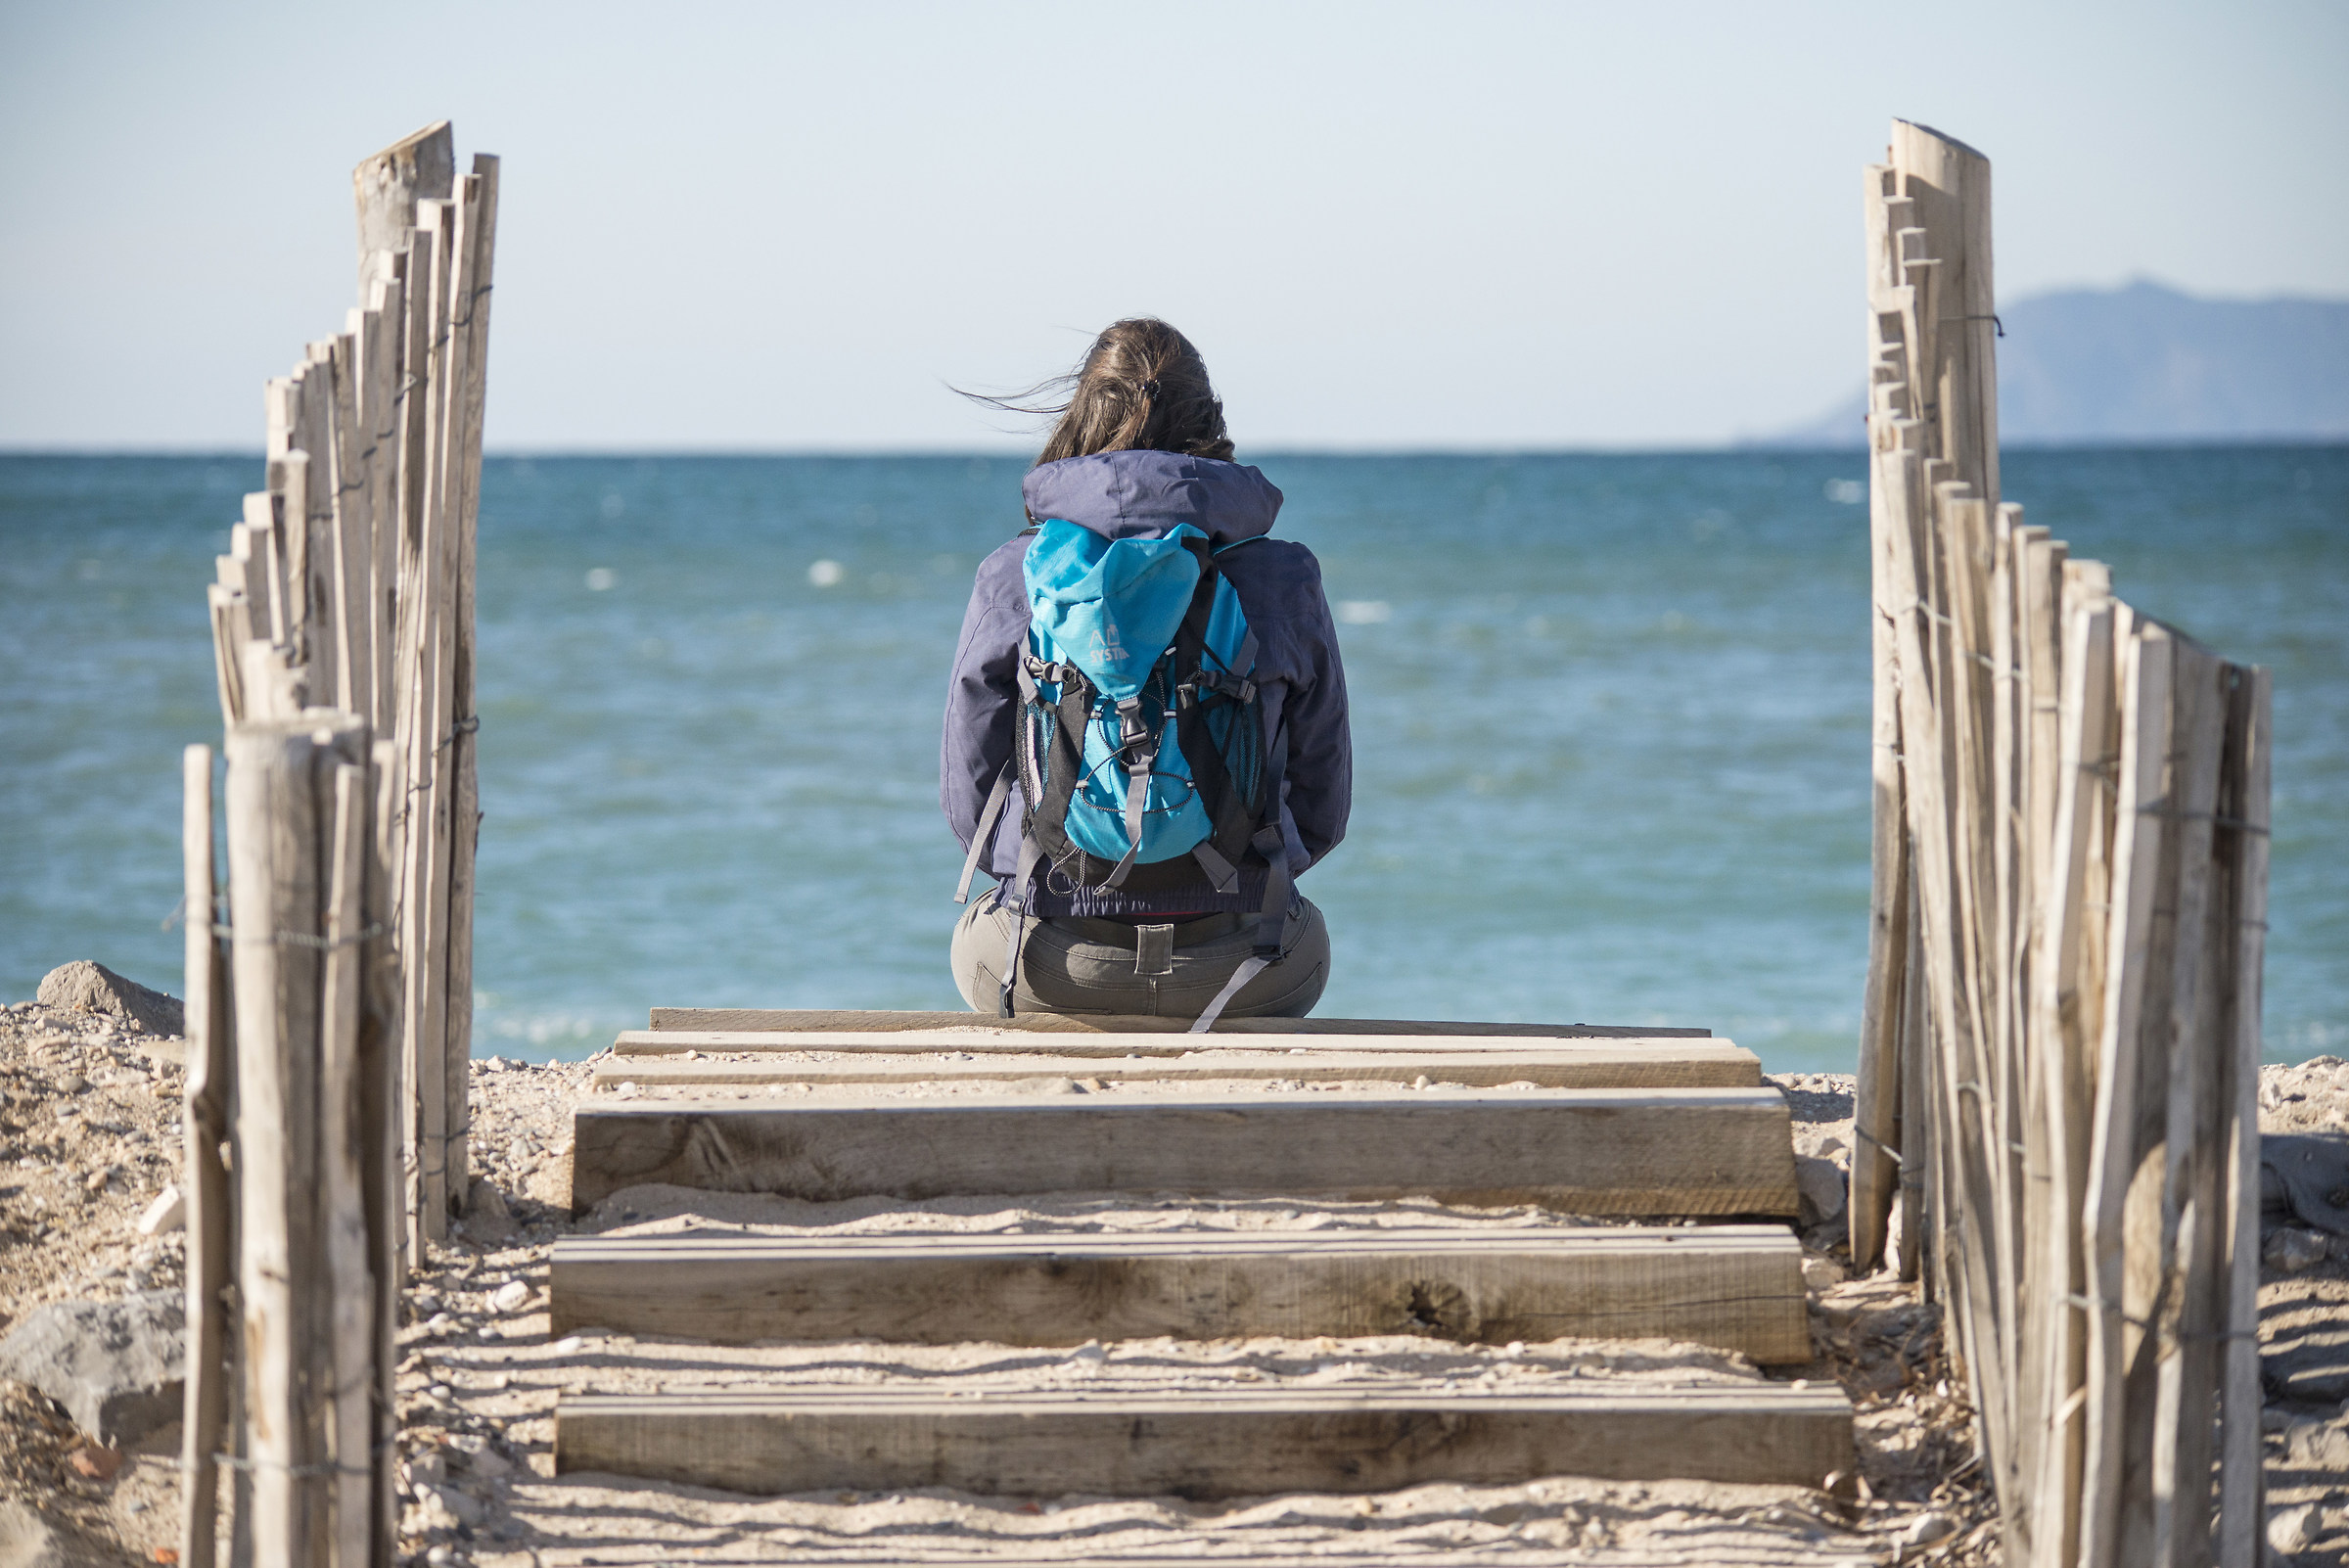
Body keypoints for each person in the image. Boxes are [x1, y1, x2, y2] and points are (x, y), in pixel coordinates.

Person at [941, 318, 1351, 1026]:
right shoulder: (1285, 577)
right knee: (1305, 935)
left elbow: (968, 798)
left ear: (1082, 416)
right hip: (1243, 969)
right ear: (1208, 422)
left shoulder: (1017, 573)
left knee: (976, 935)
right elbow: (1321, 809)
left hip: (1046, 966)